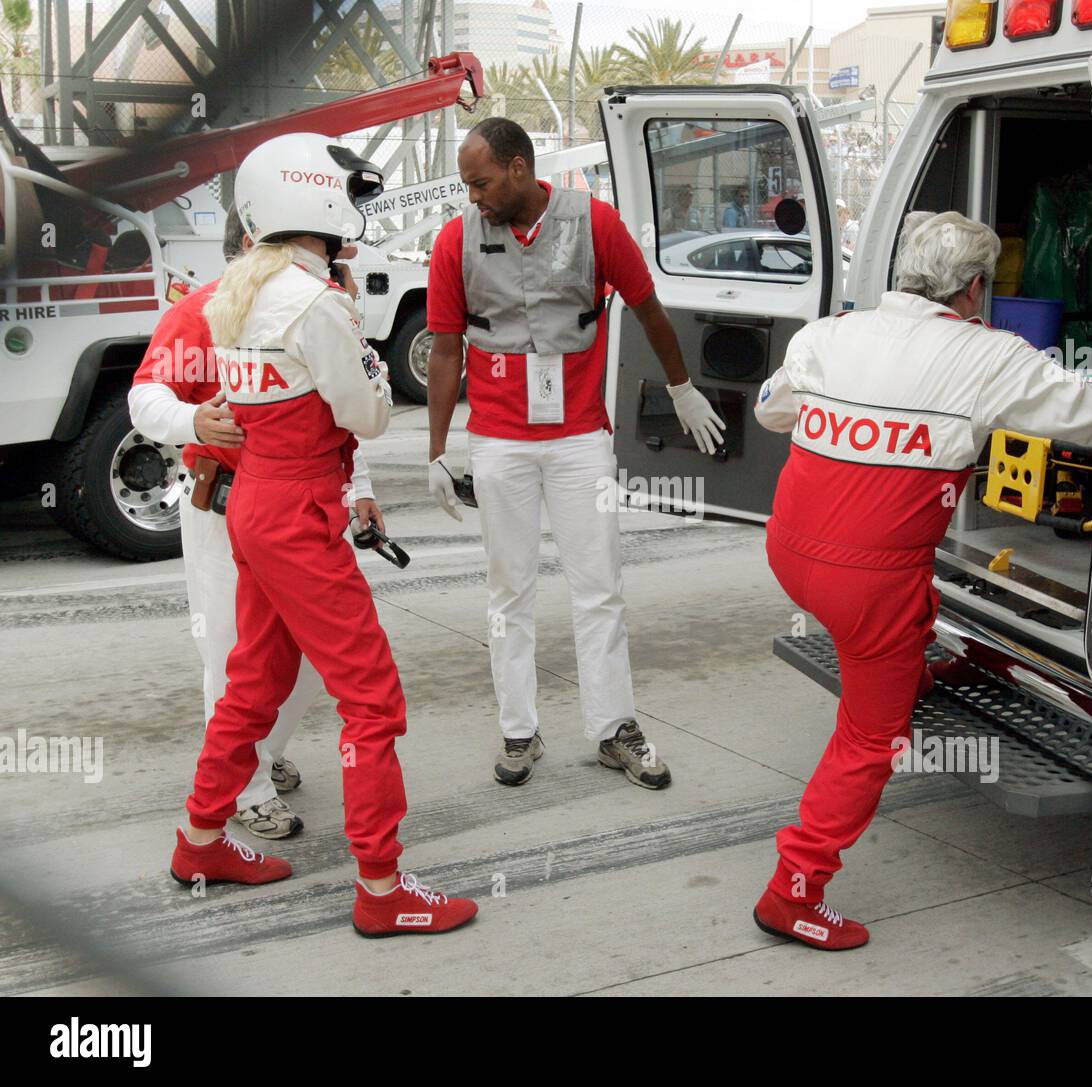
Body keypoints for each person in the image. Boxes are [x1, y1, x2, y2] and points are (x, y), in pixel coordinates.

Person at [750, 211, 1092, 950]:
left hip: (790, 554)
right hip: (868, 583)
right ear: (976, 288)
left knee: (913, 599)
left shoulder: (830, 334)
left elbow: (770, 410)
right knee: (870, 736)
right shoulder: (990, 356)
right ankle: (794, 889)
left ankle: (908, 669)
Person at [168, 132, 477, 938]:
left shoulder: (234, 292)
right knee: (372, 700)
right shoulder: (316, 301)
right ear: (317, 198)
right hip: (301, 512)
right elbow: (368, 414)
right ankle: (381, 886)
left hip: (254, 508)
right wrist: (368, 358)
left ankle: (199, 840)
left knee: (252, 685)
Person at [424, 117, 724, 788]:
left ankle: (614, 727)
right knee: (510, 593)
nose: (473, 196)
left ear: (521, 170)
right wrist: (439, 450)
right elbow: (446, 348)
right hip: (500, 442)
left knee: (599, 588)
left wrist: (681, 389)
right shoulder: (456, 241)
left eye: (481, 182)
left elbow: (649, 309)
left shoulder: (595, 224)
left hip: (580, 439)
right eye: (467, 185)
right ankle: (518, 731)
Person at [129, 206, 384, 841]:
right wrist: (194, 423)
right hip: (227, 506)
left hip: (297, 503)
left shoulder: (312, 304)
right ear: (252, 242)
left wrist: (360, 487)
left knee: (288, 659)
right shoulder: (205, 310)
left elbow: (338, 409)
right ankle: (248, 787)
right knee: (231, 653)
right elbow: (145, 396)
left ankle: (258, 756)